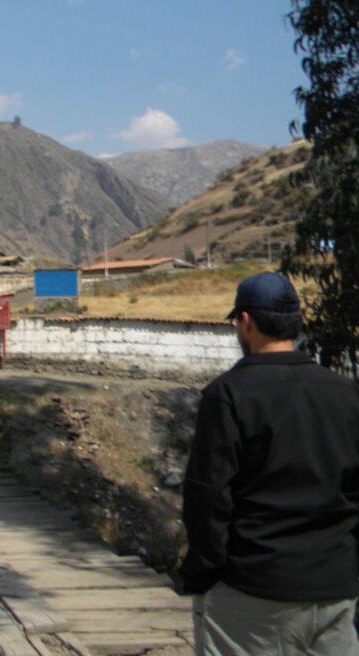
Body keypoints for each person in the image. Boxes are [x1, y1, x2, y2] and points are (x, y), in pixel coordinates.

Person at [178, 272, 359, 656]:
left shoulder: (227, 395)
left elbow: (208, 498)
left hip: (254, 592)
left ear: (245, 321)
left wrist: (201, 574)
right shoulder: (346, 394)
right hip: (336, 589)